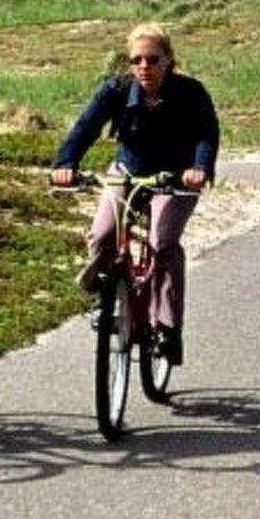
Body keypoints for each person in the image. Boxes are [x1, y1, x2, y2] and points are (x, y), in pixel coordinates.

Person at [50, 24, 220, 366]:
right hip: (128, 171)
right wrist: (65, 163)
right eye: (136, 60)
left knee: (162, 242)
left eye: (153, 59)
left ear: (168, 60)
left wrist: (199, 168)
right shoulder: (116, 90)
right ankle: (106, 295)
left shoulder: (190, 92)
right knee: (102, 234)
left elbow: (207, 133)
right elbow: (85, 127)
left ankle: (167, 327)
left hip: (176, 179)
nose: (144, 66)